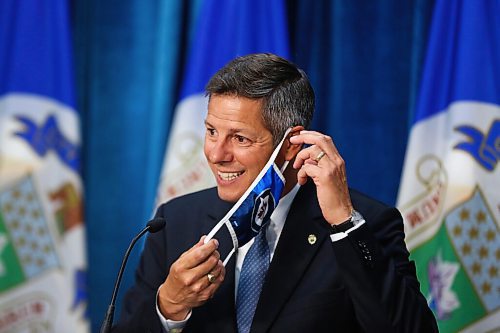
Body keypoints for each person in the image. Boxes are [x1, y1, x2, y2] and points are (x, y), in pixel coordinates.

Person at [113, 53, 438, 332]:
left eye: (240, 138)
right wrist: (169, 304)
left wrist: (344, 224)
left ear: (290, 144)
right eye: (212, 132)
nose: (216, 154)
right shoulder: (174, 221)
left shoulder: (365, 223)